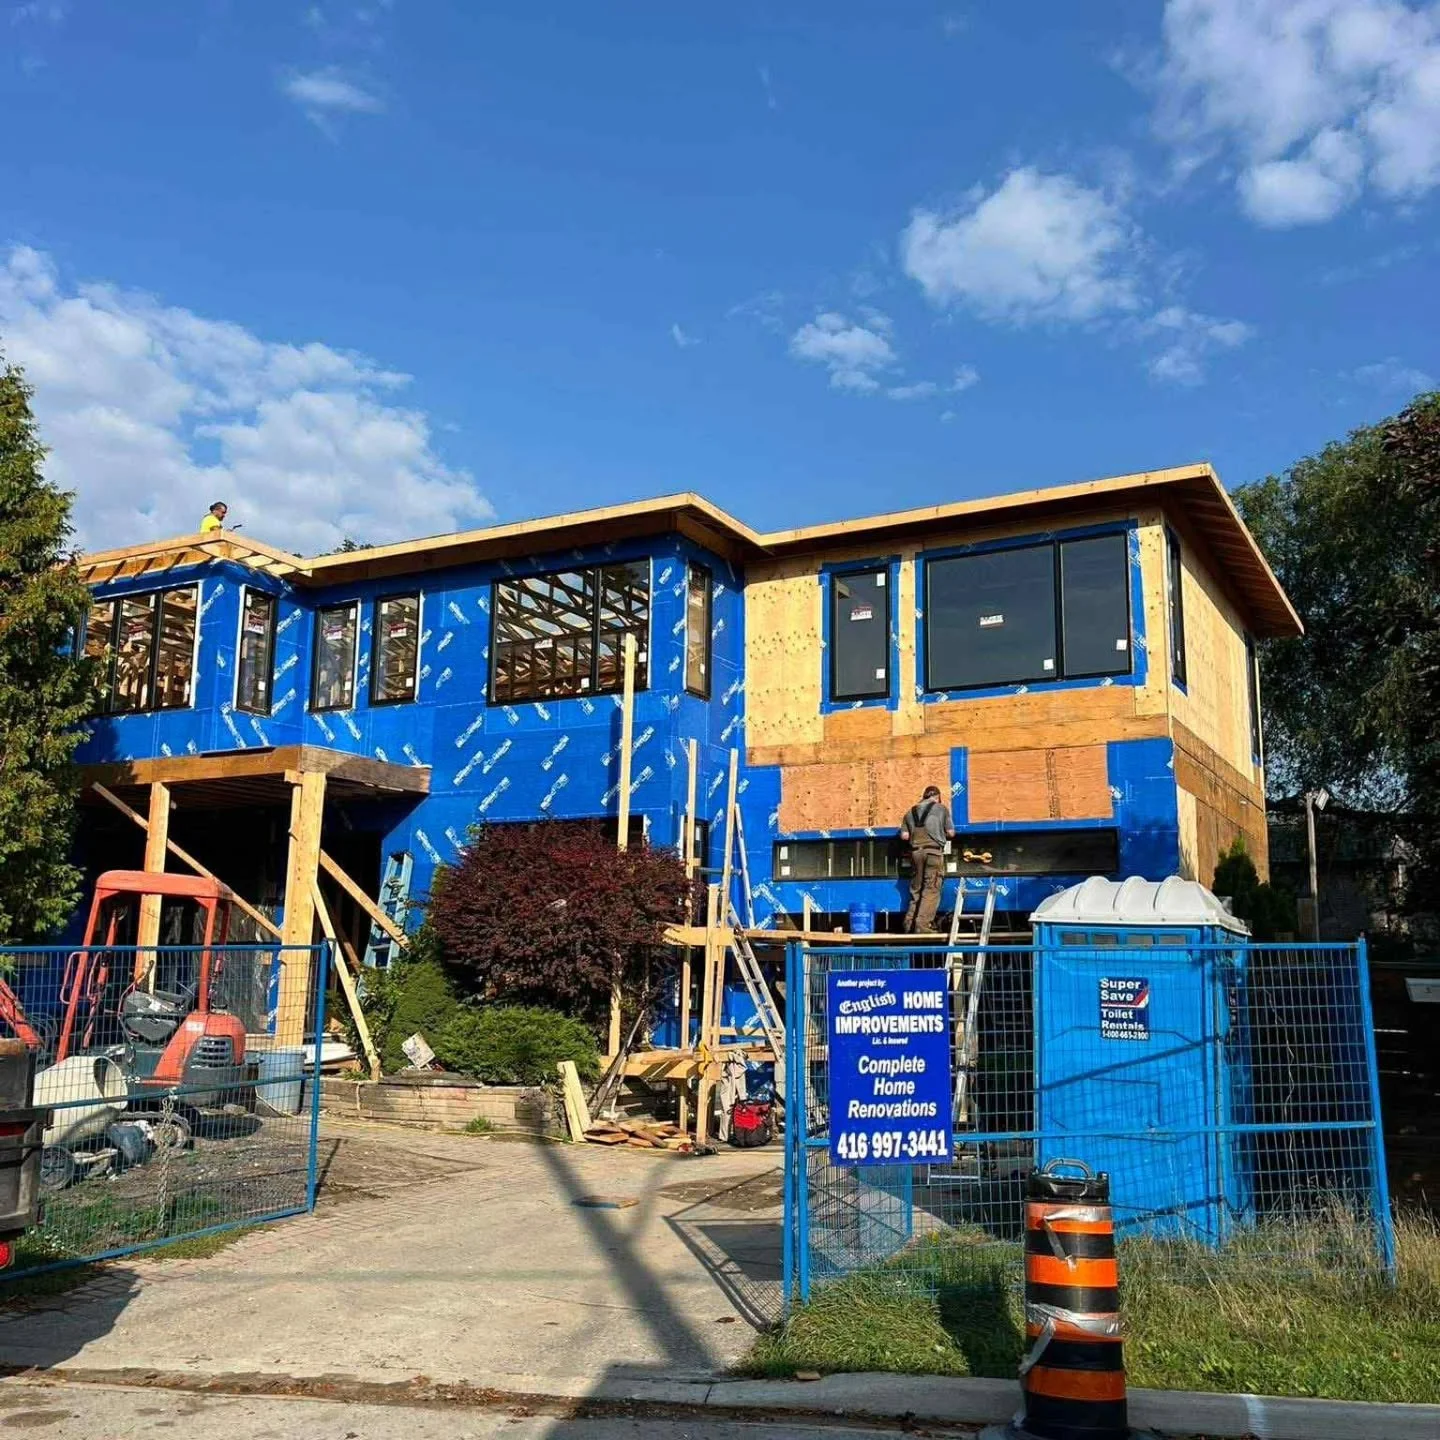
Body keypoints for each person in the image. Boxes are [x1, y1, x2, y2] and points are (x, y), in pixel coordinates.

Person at [899, 784, 955, 934]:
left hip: (915, 853)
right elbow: (951, 833)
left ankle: (909, 923)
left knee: (916, 888)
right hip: (933, 853)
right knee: (931, 889)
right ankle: (922, 925)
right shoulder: (941, 809)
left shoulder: (910, 812)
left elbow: (904, 836)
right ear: (937, 797)